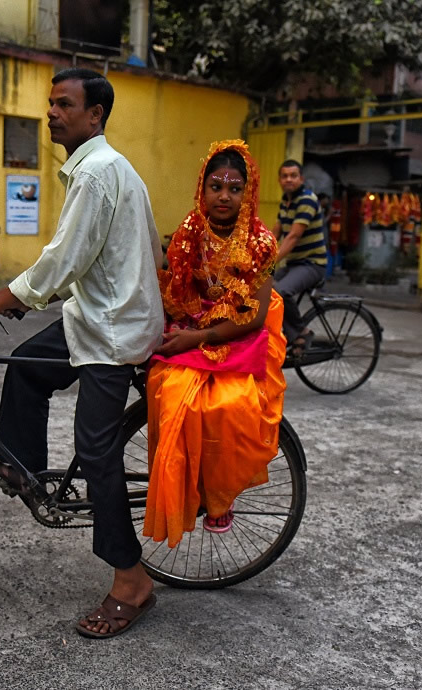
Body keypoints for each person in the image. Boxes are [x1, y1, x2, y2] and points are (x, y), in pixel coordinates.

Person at [0, 68, 164, 639]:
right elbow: (89, 261)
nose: (51, 113)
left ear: (95, 115)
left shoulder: (95, 173)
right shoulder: (103, 169)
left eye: (64, 105)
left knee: (96, 456)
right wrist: (21, 302)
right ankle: (20, 465)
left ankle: (131, 581)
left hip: (112, 333)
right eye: (50, 104)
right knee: (25, 366)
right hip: (95, 316)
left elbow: (63, 258)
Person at [143, 140, 288, 547]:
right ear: (202, 189)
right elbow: (176, 289)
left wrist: (199, 336)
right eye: (216, 186)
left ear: (249, 193)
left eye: (235, 188)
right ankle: (181, 494)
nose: (224, 196)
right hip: (193, 323)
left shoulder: (261, 243)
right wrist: (178, 329)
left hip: (243, 333)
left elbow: (255, 317)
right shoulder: (190, 231)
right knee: (165, 389)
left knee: (229, 406)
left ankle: (218, 497)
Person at [271, 160, 328, 355]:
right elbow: (276, 232)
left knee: (281, 291)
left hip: (312, 263)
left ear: (301, 179)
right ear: (279, 180)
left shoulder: (307, 200)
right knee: (262, 287)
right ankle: (276, 335)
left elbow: (293, 237)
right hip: (295, 263)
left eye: (293, 175)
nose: (289, 179)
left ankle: (302, 332)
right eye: (284, 176)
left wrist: (269, 262)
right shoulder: (286, 201)